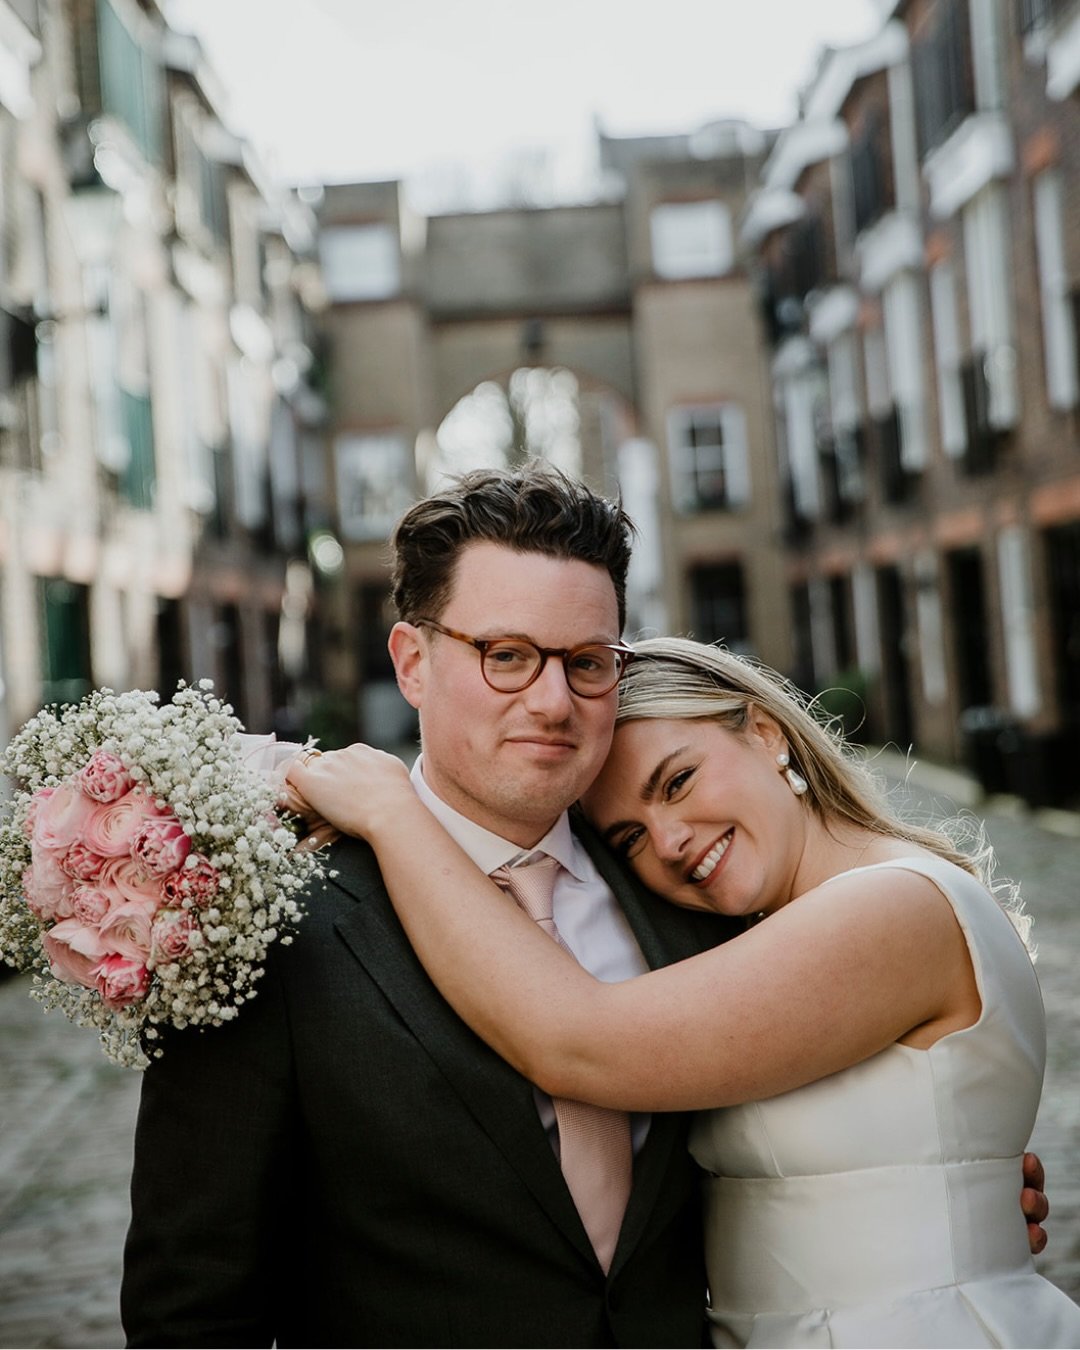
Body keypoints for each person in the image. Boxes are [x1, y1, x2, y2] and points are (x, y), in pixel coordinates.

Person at [122, 464, 1048, 1349]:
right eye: (508, 656)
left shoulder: (712, 902)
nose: (554, 700)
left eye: (587, 662)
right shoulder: (265, 920)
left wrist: (938, 1192)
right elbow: (193, 1303)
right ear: (412, 660)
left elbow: (633, 1046)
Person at [285, 634, 1079, 1348]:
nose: (666, 842)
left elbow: (577, 1042)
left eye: (677, 781)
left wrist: (396, 815)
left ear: (765, 732)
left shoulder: (899, 906)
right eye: (627, 836)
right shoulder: (749, 945)